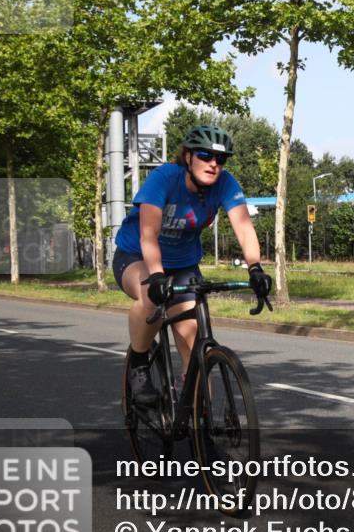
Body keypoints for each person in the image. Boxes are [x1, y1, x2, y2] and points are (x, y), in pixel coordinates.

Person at [112, 125, 272, 405]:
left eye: (220, 160)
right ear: (187, 157)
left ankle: (200, 427)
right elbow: (148, 234)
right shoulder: (164, 178)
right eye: (205, 156)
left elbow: (244, 228)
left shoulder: (225, 184)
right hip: (136, 255)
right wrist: (158, 276)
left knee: (195, 349)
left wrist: (255, 269)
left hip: (184, 265)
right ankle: (139, 362)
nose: (213, 164)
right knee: (150, 296)